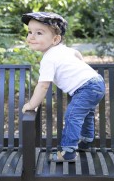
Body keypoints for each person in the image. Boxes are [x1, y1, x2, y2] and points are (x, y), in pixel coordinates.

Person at [21, 12, 105, 162]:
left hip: (86, 87)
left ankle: (67, 153)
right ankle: (86, 141)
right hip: (96, 82)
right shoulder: (63, 50)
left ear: (55, 39)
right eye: (29, 32)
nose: (31, 37)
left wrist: (32, 104)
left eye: (39, 33)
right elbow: (77, 54)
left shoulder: (49, 58)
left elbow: (43, 86)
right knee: (86, 114)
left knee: (73, 116)